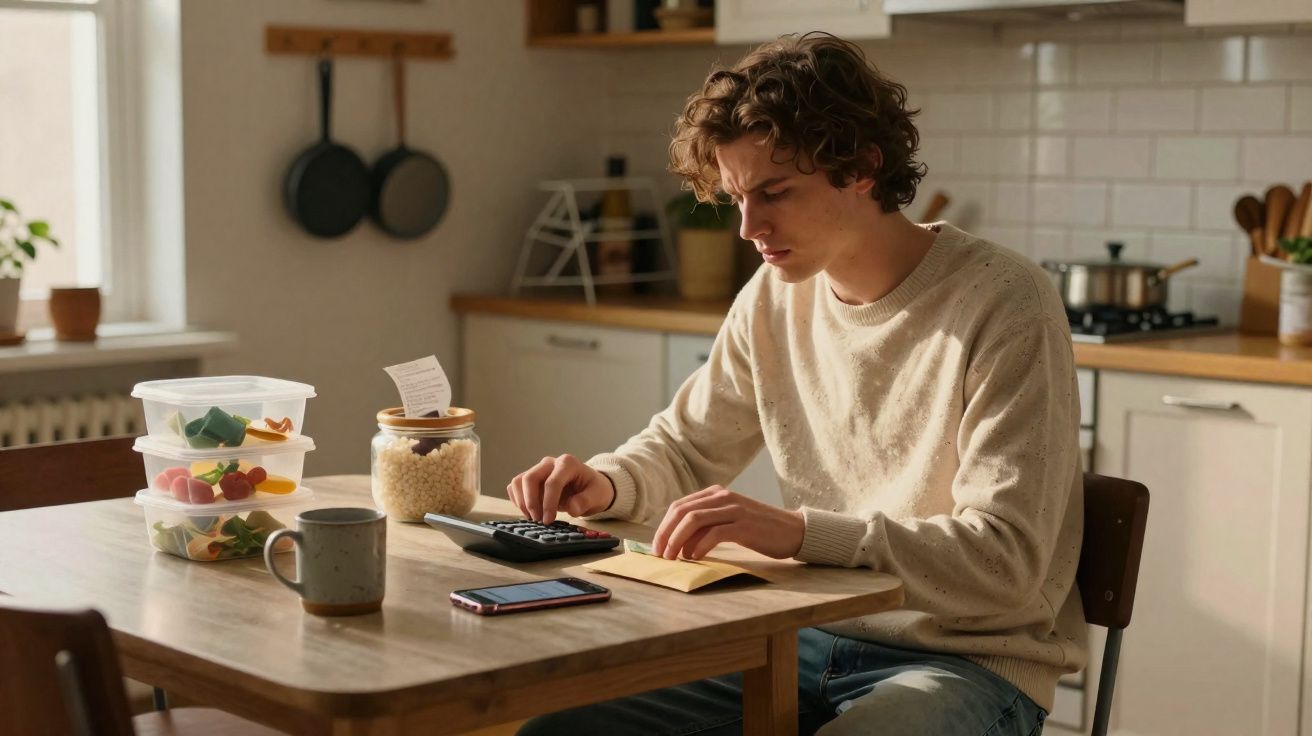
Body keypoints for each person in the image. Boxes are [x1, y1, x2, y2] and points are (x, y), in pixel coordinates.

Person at [512, 32, 1083, 736]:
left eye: (775, 192)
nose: (748, 227)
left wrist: (798, 534)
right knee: (561, 730)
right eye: (736, 197)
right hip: (802, 636)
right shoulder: (774, 296)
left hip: (965, 662)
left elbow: (1005, 560)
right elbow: (687, 448)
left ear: (862, 167)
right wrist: (606, 484)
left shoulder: (1006, 300)